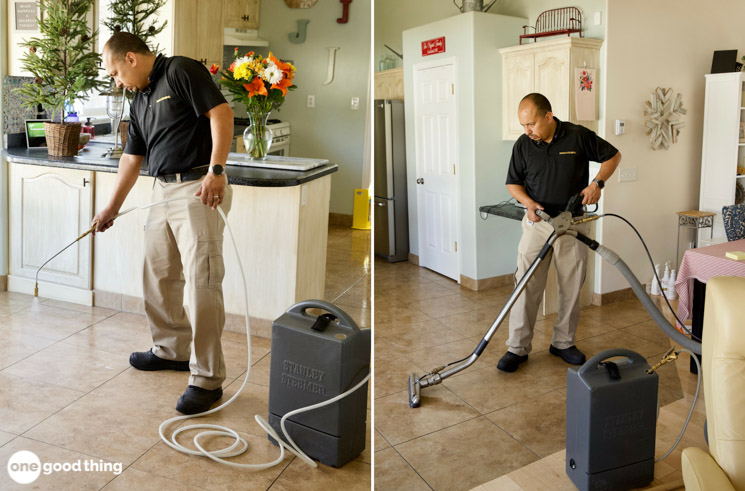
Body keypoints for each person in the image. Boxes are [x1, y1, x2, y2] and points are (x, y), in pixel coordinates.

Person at [93, 32, 235, 414]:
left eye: (116, 71)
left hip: (198, 188)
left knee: (202, 283)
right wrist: (111, 209)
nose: (116, 81)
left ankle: (207, 378)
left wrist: (217, 170)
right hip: (162, 190)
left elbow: (221, 113)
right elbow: (131, 159)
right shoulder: (138, 99)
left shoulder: (181, 71)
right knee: (157, 275)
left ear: (132, 59)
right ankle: (171, 349)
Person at [499, 93, 621, 373]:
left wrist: (597, 184)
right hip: (537, 223)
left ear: (548, 116)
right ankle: (517, 347)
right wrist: (529, 204)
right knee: (526, 284)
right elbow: (513, 184)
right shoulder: (523, 145)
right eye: (523, 126)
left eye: (531, 124)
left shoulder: (578, 136)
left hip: (572, 222)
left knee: (571, 285)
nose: (528, 131)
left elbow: (613, 156)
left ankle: (563, 343)